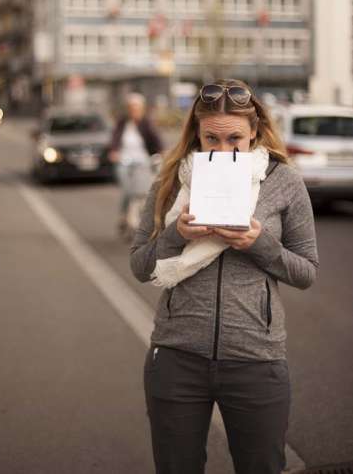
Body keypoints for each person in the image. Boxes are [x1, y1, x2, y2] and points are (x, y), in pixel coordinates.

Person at [130, 78, 319, 474]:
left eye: (235, 138)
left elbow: (306, 272)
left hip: (256, 359)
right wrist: (174, 236)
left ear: (256, 133)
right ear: (196, 135)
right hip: (177, 358)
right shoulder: (170, 180)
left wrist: (259, 244)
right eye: (211, 139)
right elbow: (140, 266)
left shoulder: (284, 181)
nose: (223, 150)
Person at [109, 93, 163, 232]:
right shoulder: (122, 123)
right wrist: (114, 151)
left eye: (137, 108)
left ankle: (143, 219)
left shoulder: (146, 123)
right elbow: (114, 139)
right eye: (132, 108)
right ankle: (123, 216)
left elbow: (157, 141)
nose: (134, 110)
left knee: (143, 191)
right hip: (124, 161)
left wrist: (161, 153)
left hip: (143, 162)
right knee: (127, 190)